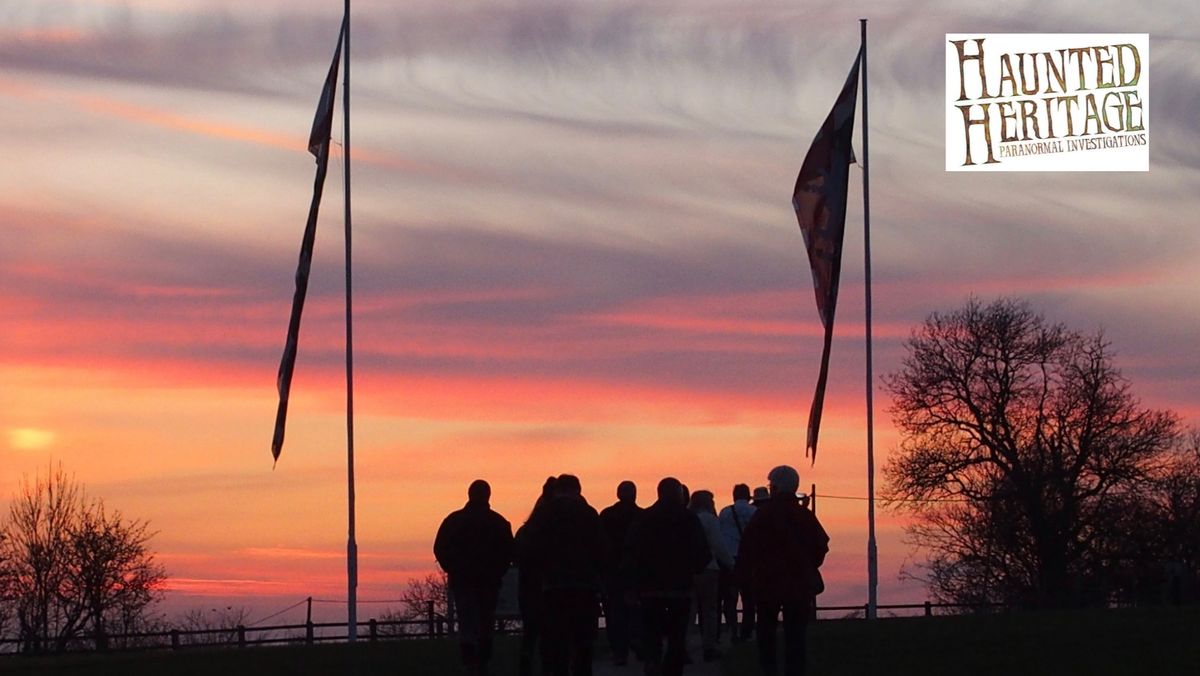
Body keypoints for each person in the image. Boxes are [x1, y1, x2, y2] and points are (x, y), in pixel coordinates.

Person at [736, 466, 829, 676]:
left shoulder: (763, 515)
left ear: (775, 488)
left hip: (768, 583)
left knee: (766, 631)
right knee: (796, 635)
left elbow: (747, 548)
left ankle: (769, 669)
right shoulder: (803, 515)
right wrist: (808, 564)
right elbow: (821, 545)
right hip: (799, 584)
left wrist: (745, 574)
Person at [623, 477, 711, 676]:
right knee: (677, 637)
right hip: (680, 589)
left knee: (652, 632)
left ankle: (653, 662)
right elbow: (703, 553)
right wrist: (693, 570)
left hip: (650, 589)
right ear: (679, 495)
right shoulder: (689, 519)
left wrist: (631, 584)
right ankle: (672, 669)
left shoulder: (644, 519)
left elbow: (632, 553)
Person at [524, 474, 607, 676]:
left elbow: (529, 549)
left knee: (554, 643)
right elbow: (602, 550)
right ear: (577, 490)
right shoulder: (589, 514)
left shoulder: (543, 514)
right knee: (583, 643)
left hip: (552, 587)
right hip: (584, 587)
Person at [433, 479, 515, 676]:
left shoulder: (453, 521)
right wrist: (498, 571)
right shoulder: (498, 522)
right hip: (488, 582)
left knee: (467, 623)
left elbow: (439, 548)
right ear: (488, 496)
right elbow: (509, 552)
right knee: (486, 622)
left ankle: (470, 663)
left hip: (463, 581)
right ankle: (483, 662)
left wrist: (452, 568)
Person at [514, 476, 558, 676]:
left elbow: (516, 557)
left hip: (529, 586)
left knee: (531, 632)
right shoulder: (561, 527)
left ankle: (527, 661)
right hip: (553, 586)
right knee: (552, 633)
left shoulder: (527, 530)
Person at [599, 480, 643, 666]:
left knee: (614, 612)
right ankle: (637, 642)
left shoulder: (607, 515)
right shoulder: (642, 516)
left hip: (612, 571)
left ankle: (619, 650)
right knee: (637, 611)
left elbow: (600, 544)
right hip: (635, 571)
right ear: (635, 494)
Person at [689, 490, 733, 662]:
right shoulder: (710, 520)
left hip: (689, 570)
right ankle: (709, 646)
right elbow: (718, 545)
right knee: (710, 610)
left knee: (690, 611)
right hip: (709, 568)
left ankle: (684, 647)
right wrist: (730, 564)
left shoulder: (688, 519)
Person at [718, 483, 757, 641]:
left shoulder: (725, 512)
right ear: (748, 496)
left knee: (730, 598)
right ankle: (746, 632)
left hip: (729, 559)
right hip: (748, 559)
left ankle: (732, 629)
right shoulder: (754, 512)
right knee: (749, 599)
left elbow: (720, 535)